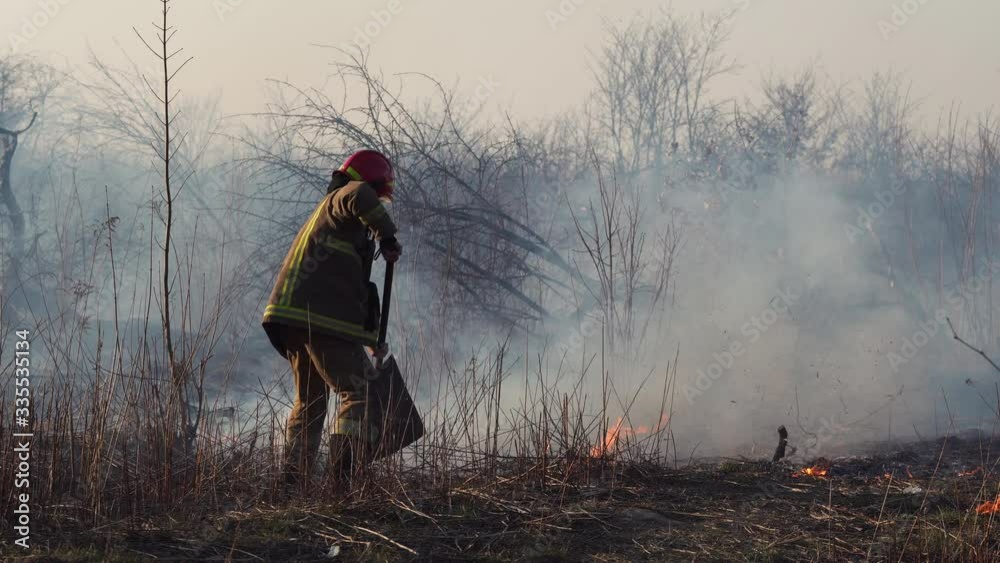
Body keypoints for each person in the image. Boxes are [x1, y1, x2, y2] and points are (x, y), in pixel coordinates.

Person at [262, 149, 403, 485]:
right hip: (317, 317)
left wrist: (373, 342)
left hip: (292, 319)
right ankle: (343, 478)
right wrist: (388, 236)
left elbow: (355, 293)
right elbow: (359, 194)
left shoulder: (336, 224)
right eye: (377, 193)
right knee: (360, 391)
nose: (377, 203)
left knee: (309, 404)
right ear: (369, 184)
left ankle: (291, 484)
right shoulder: (345, 196)